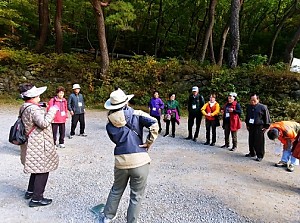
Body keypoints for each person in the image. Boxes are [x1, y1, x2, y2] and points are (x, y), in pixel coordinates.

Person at [101, 88, 159, 223]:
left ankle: (108, 216)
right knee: (136, 195)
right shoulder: (136, 114)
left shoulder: (109, 124)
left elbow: (115, 140)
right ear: (126, 103)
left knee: (116, 189)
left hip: (121, 161)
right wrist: (148, 142)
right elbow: (154, 123)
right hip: (140, 160)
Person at [19, 83, 59, 207]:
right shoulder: (33, 109)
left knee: (36, 168)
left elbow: (32, 117)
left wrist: (41, 106)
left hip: (31, 142)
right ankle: (37, 198)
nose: (39, 96)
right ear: (32, 96)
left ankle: (30, 191)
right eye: (37, 95)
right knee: (43, 170)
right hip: (38, 143)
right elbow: (44, 123)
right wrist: (53, 110)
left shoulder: (25, 106)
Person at [245, 93, 271, 162]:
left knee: (259, 141)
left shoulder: (263, 107)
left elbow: (267, 117)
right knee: (251, 140)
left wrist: (266, 126)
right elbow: (247, 116)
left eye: (254, 100)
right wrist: (247, 124)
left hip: (259, 126)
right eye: (251, 100)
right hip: (251, 125)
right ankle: (252, 152)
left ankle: (260, 155)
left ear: (258, 100)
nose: (252, 101)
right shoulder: (249, 107)